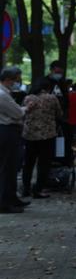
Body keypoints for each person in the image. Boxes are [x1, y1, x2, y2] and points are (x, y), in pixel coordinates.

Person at [22, 77, 62, 199]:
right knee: (43, 164)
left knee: (28, 163)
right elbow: (59, 114)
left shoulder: (28, 98)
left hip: (29, 135)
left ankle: (26, 189)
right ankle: (38, 189)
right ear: (47, 87)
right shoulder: (52, 98)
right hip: (47, 135)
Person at [0, 67, 27, 213]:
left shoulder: (5, 93)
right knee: (7, 167)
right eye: (16, 79)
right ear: (8, 79)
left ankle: (11, 198)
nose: (17, 83)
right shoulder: (2, 95)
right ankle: (5, 202)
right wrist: (25, 109)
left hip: (9, 131)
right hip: (7, 131)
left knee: (11, 167)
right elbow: (17, 113)